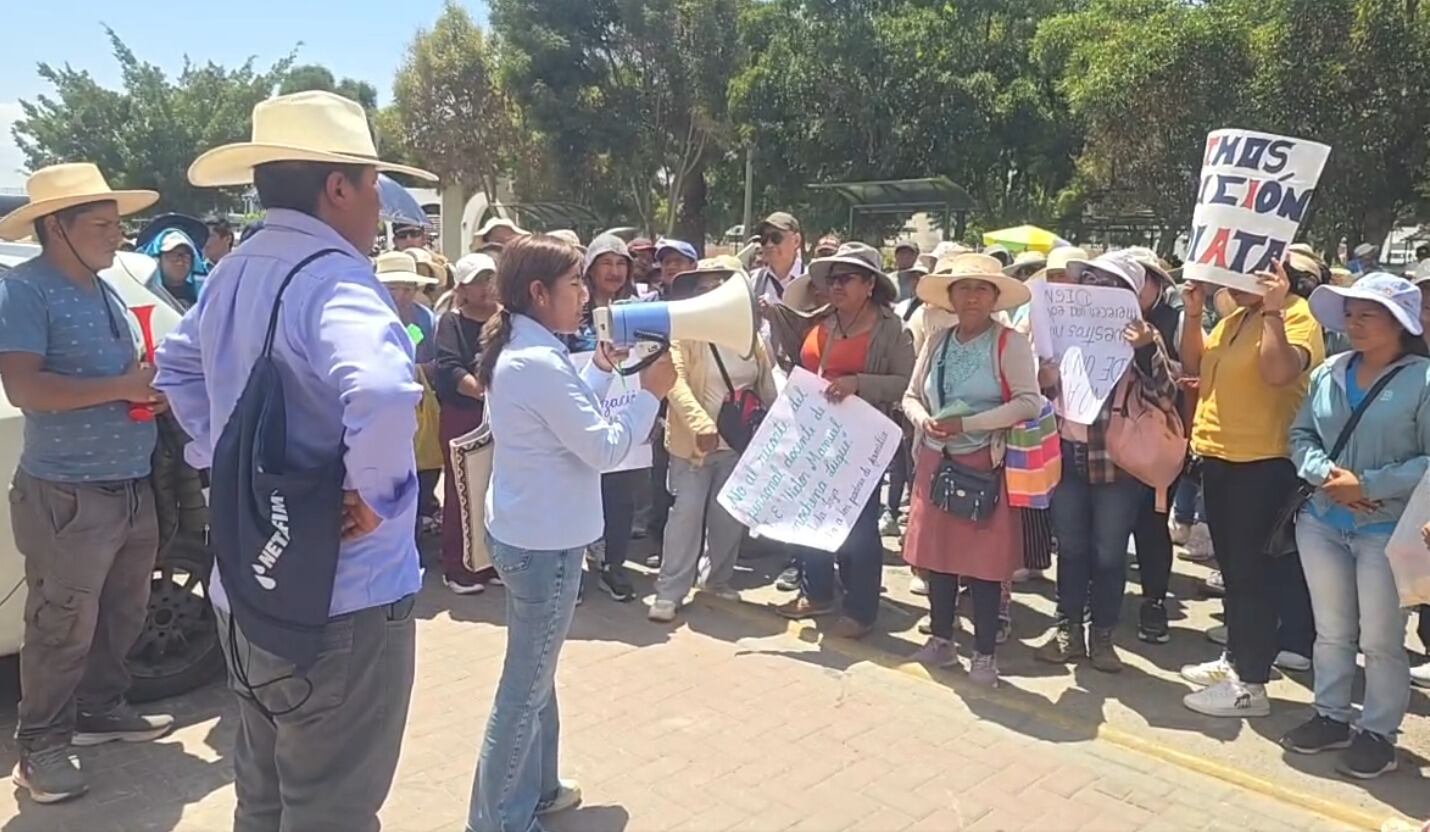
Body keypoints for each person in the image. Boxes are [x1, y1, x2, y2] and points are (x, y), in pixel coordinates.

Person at [155, 90, 434, 831]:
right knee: (329, 811)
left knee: (263, 800)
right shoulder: (337, 277)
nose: (378, 207)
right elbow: (382, 390)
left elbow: (173, 367)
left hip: (246, 584)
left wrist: (227, 463)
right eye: (373, 186)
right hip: (341, 599)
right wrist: (376, 493)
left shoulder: (232, 270)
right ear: (338, 187)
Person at [469, 234, 675, 832]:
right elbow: (604, 448)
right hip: (546, 543)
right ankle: (498, 821)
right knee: (524, 690)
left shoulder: (529, 348)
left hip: (529, 532)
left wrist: (606, 373)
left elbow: (568, 416)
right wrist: (649, 395)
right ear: (539, 292)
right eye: (576, 284)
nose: (585, 296)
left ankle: (538, 789)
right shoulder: (535, 359)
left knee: (536, 674)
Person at [0, 163, 172, 804]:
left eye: (115, 225)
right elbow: (25, 387)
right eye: (100, 226)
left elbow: (121, 375)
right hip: (68, 493)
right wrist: (122, 387)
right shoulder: (25, 291)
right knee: (61, 624)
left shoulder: (106, 290)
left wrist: (145, 392)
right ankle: (40, 748)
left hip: (126, 483)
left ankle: (100, 709)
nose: (115, 237)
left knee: (122, 611)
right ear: (55, 228)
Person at [1280, 273, 1430, 779]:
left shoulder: (1423, 380)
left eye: (1369, 314)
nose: (1355, 322)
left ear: (1400, 323)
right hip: (1322, 521)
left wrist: (1367, 484)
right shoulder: (1328, 371)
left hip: (1387, 529)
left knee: (1382, 639)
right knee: (1331, 630)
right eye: (1350, 313)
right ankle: (1331, 715)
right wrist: (1327, 476)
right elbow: (1300, 435)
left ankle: (1379, 732)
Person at [1178, 256, 1326, 719]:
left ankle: (1251, 685)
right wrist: (1193, 313)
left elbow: (1279, 373)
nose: (1228, 283)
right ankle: (1237, 661)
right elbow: (1194, 362)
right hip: (1219, 457)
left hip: (1262, 462)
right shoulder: (1235, 319)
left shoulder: (1299, 316)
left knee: (1252, 576)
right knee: (1234, 572)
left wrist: (1275, 310)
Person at [900, 253, 1041, 685]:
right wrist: (924, 421)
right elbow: (910, 395)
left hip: (985, 464)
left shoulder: (1009, 343)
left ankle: (983, 655)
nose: (972, 296)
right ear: (951, 296)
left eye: (981, 288)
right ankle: (941, 640)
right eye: (963, 288)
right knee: (938, 557)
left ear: (995, 297)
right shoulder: (937, 340)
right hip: (936, 460)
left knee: (984, 564)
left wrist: (970, 424)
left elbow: (1029, 402)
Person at [1035, 251, 1178, 673]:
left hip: (1116, 465)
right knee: (1071, 549)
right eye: (1090, 280)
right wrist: (1045, 381)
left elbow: (1165, 395)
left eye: (1108, 283)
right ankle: (1067, 629)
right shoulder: (1064, 330)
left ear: (1129, 294)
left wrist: (1144, 349)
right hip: (1067, 456)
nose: (1096, 289)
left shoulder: (1144, 336)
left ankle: (1102, 636)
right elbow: (1043, 394)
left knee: (1109, 554)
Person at [765, 242, 914, 638]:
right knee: (811, 514)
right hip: (816, 438)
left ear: (870, 284)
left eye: (846, 278)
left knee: (860, 527)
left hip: (862, 442)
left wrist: (858, 383)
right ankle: (816, 592)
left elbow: (906, 383)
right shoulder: (820, 319)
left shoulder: (892, 329)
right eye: (832, 278)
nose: (836, 286)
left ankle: (861, 610)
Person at [649, 257, 778, 622]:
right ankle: (669, 592)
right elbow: (674, 383)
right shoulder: (684, 334)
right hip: (692, 448)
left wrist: (780, 425)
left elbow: (766, 385)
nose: (711, 294)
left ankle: (717, 580)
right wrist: (700, 424)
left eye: (719, 287)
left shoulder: (752, 339)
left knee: (727, 518)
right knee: (686, 516)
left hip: (736, 445)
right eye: (704, 288)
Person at [570, 234, 643, 601]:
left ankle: (613, 566)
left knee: (620, 499)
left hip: (623, 420)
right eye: (606, 263)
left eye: (620, 264)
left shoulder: (638, 311)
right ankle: (572, 571)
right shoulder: (572, 312)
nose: (614, 271)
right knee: (578, 495)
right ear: (590, 269)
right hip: (580, 421)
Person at [1124, 249, 1186, 644]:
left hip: (1158, 442)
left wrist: (1152, 351)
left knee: (1151, 523)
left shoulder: (1178, 321)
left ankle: (1154, 601)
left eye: (1140, 276)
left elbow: (1182, 380)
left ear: (1158, 282)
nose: (1130, 284)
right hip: (1106, 441)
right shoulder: (1098, 317)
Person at [435, 253, 503, 593]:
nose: (485, 287)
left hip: (504, 414)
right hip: (463, 415)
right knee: (462, 491)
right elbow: (449, 367)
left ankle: (491, 562)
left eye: (490, 278)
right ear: (461, 288)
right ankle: (458, 567)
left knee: (496, 489)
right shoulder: (450, 322)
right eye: (477, 281)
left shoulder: (507, 320)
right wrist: (482, 393)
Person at [374, 252, 444, 539]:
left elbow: (439, 361)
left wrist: (418, 370)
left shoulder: (426, 318)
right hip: (380, 413)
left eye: (408, 288)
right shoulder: (367, 317)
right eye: (393, 288)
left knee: (423, 471)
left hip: (421, 407)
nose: (401, 295)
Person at [142, 229, 205, 311]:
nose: (180, 261)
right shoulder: (146, 295)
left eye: (186, 256)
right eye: (174, 255)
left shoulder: (202, 296)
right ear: (158, 259)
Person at [752, 211, 805, 302]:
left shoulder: (812, 281)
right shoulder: (754, 282)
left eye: (776, 238)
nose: (769, 244)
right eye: (764, 239)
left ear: (796, 241)